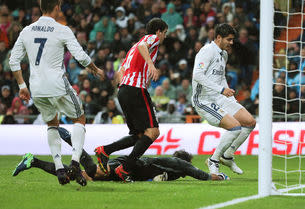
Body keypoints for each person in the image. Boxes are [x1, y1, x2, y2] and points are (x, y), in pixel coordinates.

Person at [9, 0, 104, 186]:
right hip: (57, 85)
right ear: (57, 8)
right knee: (80, 118)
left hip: (36, 88)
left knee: (52, 124)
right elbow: (81, 55)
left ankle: (60, 168)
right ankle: (76, 163)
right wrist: (95, 69)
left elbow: (13, 60)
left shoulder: (27, 30)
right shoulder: (62, 30)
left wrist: (22, 86)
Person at [94, 18, 168, 182]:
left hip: (124, 91)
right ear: (158, 31)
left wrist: (143, 76)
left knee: (139, 135)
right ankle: (125, 168)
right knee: (153, 132)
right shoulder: (150, 39)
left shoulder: (132, 49)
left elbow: (119, 71)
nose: (164, 37)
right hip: (135, 89)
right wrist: (151, 65)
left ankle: (105, 150)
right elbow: (144, 46)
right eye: (165, 33)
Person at [12, 128, 229, 182]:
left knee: (77, 175)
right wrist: (218, 177)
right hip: (125, 165)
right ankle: (70, 138)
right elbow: (197, 173)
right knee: (91, 172)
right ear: (183, 161)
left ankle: (33, 161)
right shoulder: (176, 163)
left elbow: (156, 178)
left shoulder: (167, 168)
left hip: (127, 169)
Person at [192, 24, 256, 175]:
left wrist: (230, 97)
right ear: (218, 37)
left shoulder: (224, 54)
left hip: (219, 97)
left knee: (249, 122)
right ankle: (213, 160)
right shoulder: (207, 51)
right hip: (204, 100)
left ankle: (227, 156)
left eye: (233, 40)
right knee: (235, 127)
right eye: (229, 39)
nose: (231, 43)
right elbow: (197, 75)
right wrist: (222, 90)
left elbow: (221, 79)